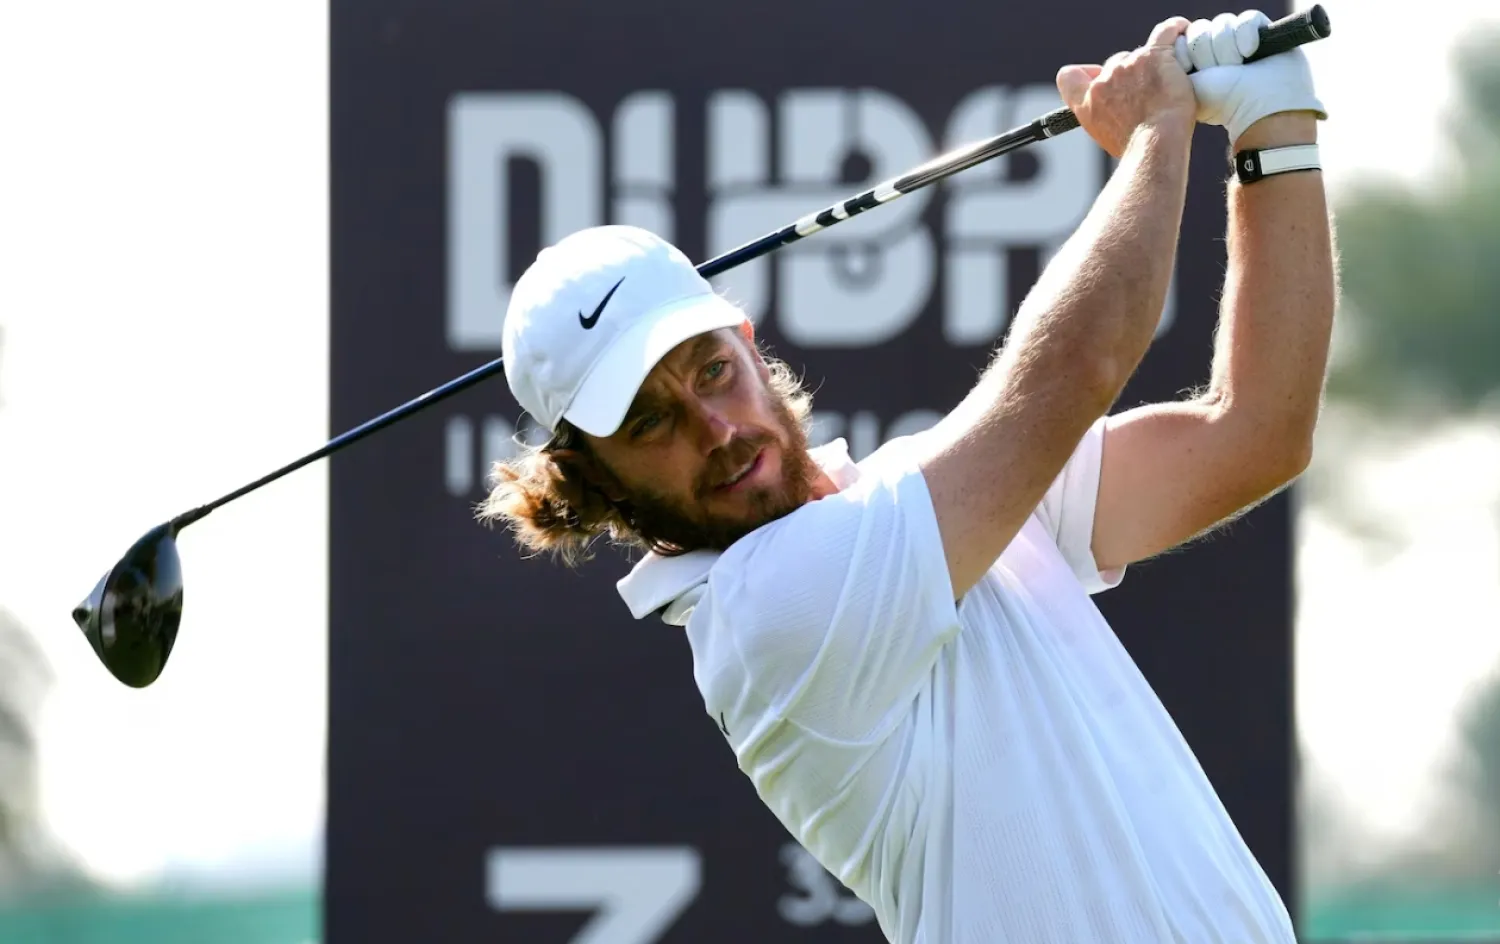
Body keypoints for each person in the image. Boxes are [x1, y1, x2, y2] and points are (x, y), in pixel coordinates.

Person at [481, 9, 1334, 943]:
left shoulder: (933, 505)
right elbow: (1077, 366)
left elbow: (1255, 434)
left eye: (713, 370)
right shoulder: (766, 611)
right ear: (593, 480)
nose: (716, 429)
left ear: (749, 344)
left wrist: (1273, 131)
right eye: (651, 422)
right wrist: (1156, 129)